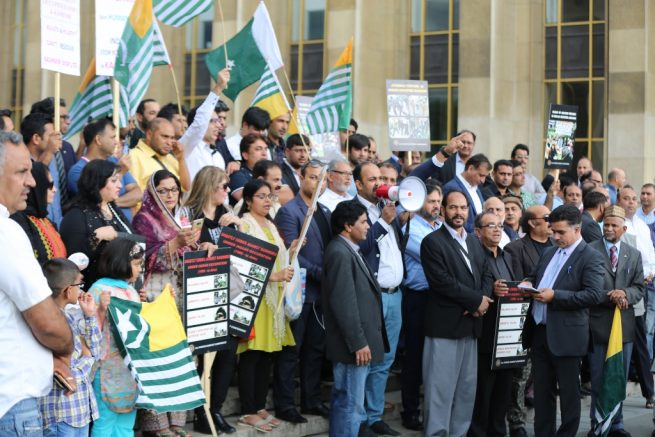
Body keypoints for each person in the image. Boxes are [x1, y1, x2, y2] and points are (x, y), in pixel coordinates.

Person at [0, 130, 73, 435]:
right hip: (12, 402)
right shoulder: (6, 233)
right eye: (22, 172)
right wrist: (64, 350)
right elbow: (48, 325)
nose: (32, 181)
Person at [520, 205, 604, 437]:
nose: (555, 237)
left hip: (567, 337)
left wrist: (556, 296)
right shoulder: (549, 252)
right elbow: (538, 277)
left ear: (577, 229)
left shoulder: (591, 257)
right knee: (542, 394)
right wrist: (528, 284)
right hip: (539, 333)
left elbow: (594, 295)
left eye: (561, 232)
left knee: (568, 396)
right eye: (553, 231)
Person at [420, 189, 493, 436]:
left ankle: (458, 433)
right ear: (442, 210)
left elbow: (486, 273)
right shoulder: (432, 242)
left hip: (471, 326)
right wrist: (474, 302)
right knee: (439, 389)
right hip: (445, 326)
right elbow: (441, 282)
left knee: (465, 389)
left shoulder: (474, 240)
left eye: (463, 208)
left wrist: (482, 301)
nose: (459, 212)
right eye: (453, 207)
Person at [235, 179, 298, 432]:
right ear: (248, 200)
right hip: (254, 297)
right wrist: (273, 276)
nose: (267, 201)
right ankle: (248, 409)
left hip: (274, 297)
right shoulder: (245, 224)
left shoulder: (271, 223)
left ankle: (260, 405)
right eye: (261, 196)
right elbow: (240, 263)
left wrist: (291, 249)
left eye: (269, 196)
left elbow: (279, 258)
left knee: (267, 355)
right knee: (252, 354)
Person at [322, 200, 389, 437]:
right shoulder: (340, 252)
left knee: (349, 402)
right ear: (348, 226)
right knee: (350, 404)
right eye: (363, 222)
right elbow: (344, 304)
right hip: (352, 347)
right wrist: (358, 342)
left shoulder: (348, 249)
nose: (368, 226)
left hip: (356, 343)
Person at [183, 166, 241, 434]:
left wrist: (236, 229)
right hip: (200, 293)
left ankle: (215, 408)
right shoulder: (190, 215)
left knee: (227, 354)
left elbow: (242, 254)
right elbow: (183, 251)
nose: (227, 190)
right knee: (203, 355)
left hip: (226, 292)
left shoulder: (226, 215)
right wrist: (202, 247)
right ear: (209, 186)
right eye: (223, 186)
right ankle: (200, 411)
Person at [273, 160, 332, 423]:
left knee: (315, 350)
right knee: (292, 352)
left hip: (321, 295)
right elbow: (291, 255)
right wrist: (321, 272)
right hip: (300, 292)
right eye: (312, 177)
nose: (317, 183)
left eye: (322, 179)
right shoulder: (290, 211)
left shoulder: (326, 211)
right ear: (301, 177)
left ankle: (311, 400)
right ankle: (285, 404)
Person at [353, 162, 404, 436]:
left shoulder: (387, 208)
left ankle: (374, 416)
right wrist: (383, 221)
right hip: (373, 297)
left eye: (381, 178)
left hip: (395, 296)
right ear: (358, 184)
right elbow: (360, 246)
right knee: (368, 358)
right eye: (372, 179)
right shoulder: (353, 210)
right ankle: (360, 419)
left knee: (386, 359)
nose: (378, 183)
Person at [587, 205, 644, 436]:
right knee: (599, 377)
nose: (609, 229)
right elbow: (586, 287)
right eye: (606, 225)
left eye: (613, 225)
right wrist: (611, 295)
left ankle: (617, 424)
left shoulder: (634, 253)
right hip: (598, 324)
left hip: (625, 326)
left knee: (618, 376)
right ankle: (598, 424)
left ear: (624, 227)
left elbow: (639, 288)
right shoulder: (589, 250)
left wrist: (626, 295)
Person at [88, 238, 145, 436]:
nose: (139, 270)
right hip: (107, 369)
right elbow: (87, 330)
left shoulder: (131, 291)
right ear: (121, 262)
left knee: (126, 423)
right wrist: (101, 310)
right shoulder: (98, 290)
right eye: (137, 264)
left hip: (129, 369)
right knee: (104, 423)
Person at [133, 170, 215, 306]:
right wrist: (176, 243)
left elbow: (191, 249)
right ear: (152, 193)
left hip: (186, 287)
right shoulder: (143, 220)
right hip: (157, 291)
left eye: (174, 190)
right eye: (163, 191)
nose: (170, 195)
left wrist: (203, 247)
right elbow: (141, 259)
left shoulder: (181, 217)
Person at [40, 258, 102, 437]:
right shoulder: (50, 321)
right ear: (68, 291)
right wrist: (88, 358)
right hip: (62, 414)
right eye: (79, 284)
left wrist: (89, 315)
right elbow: (64, 373)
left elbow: (95, 351)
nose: (81, 288)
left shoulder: (70, 317)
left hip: (78, 411)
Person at [468, 211, 517, 437]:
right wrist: (492, 291)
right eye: (490, 226)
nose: (497, 230)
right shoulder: (474, 256)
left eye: (500, 225)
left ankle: (498, 432)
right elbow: (473, 292)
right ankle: (478, 432)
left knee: (503, 389)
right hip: (486, 332)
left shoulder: (507, 255)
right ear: (478, 232)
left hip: (508, 332)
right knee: (483, 390)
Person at [400, 181, 442, 431]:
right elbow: (436, 255)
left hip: (438, 298)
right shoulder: (411, 228)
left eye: (438, 201)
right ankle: (410, 411)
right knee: (415, 357)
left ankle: (431, 410)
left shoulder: (438, 226)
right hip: (417, 298)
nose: (436, 206)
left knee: (434, 357)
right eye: (431, 201)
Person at [60, 159, 134, 287]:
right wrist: (97, 237)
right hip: (93, 293)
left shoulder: (113, 208)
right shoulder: (76, 215)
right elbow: (73, 262)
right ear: (97, 182)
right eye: (114, 180)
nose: (120, 186)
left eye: (119, 180)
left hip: (120, 287)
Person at [68, 119, 142, 221]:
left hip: (125, 230)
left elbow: (138, 193)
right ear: (98, 140)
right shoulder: (78, 170)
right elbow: (97, 201)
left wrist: (113, 203)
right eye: (112, 137)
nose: (116, 142)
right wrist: (120, 173)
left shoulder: (115, 161)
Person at [10, 161, 67, 265]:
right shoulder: (19, 221)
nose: (55, 190)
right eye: (49, 185)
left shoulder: (46, 220)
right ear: (38, 187)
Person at [181, 68, 232, 180]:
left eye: (218, 121)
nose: (219, 126)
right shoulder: (188, 147)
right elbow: (200, 121)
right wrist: (219, 87)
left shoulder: (218, 156)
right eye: (213, 121)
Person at [21, 112, 65, 227]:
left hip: (54, 226)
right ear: (36, 138)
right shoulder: (22, 164)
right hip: (34, 227)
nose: (56, 140)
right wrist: (49, 152)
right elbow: (37, 179)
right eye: (51, 136)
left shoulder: (53, 160)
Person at [128, 117, 190, 193]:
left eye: (172, 138)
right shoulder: (133, 156)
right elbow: (133, 195)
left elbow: (186, 188)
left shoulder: (170, 158)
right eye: (165, 137)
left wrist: (181, 159)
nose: (169, 142)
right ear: (149, 135)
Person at [442, 153, 491, 233]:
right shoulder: (451, 187)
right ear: (470, 169)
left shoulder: (476, 188)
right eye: (481, 175)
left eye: (485, 177)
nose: (483, 180)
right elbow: (452, 220)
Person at [410, 130, 476, 184]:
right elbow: (433, 181)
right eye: (463, 142)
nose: (465, 146)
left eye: (469, 143)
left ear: (474, 145)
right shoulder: (444, 161)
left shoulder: (478, 164)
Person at [228, 133, 270, 204]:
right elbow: (252, 203)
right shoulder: (237, 175)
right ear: (245, 155)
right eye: (258, 149)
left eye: (266, 149)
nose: (264, 153)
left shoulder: (270, 171)